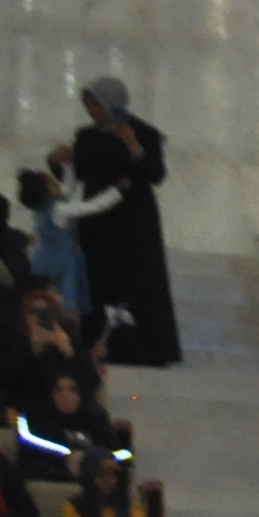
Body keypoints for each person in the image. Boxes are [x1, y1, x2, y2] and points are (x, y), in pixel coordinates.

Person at [70, 78, 179, 364]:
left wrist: (132, 144)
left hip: (134, 223)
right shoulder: (87, 135)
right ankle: (96, 344)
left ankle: (142, 349)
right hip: (98, 220)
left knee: (138, 283)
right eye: (89, 105)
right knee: (97, 280)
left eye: (97, 104)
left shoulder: (143, 132)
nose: (93, 110)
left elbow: (154, 174)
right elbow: (82, 172)